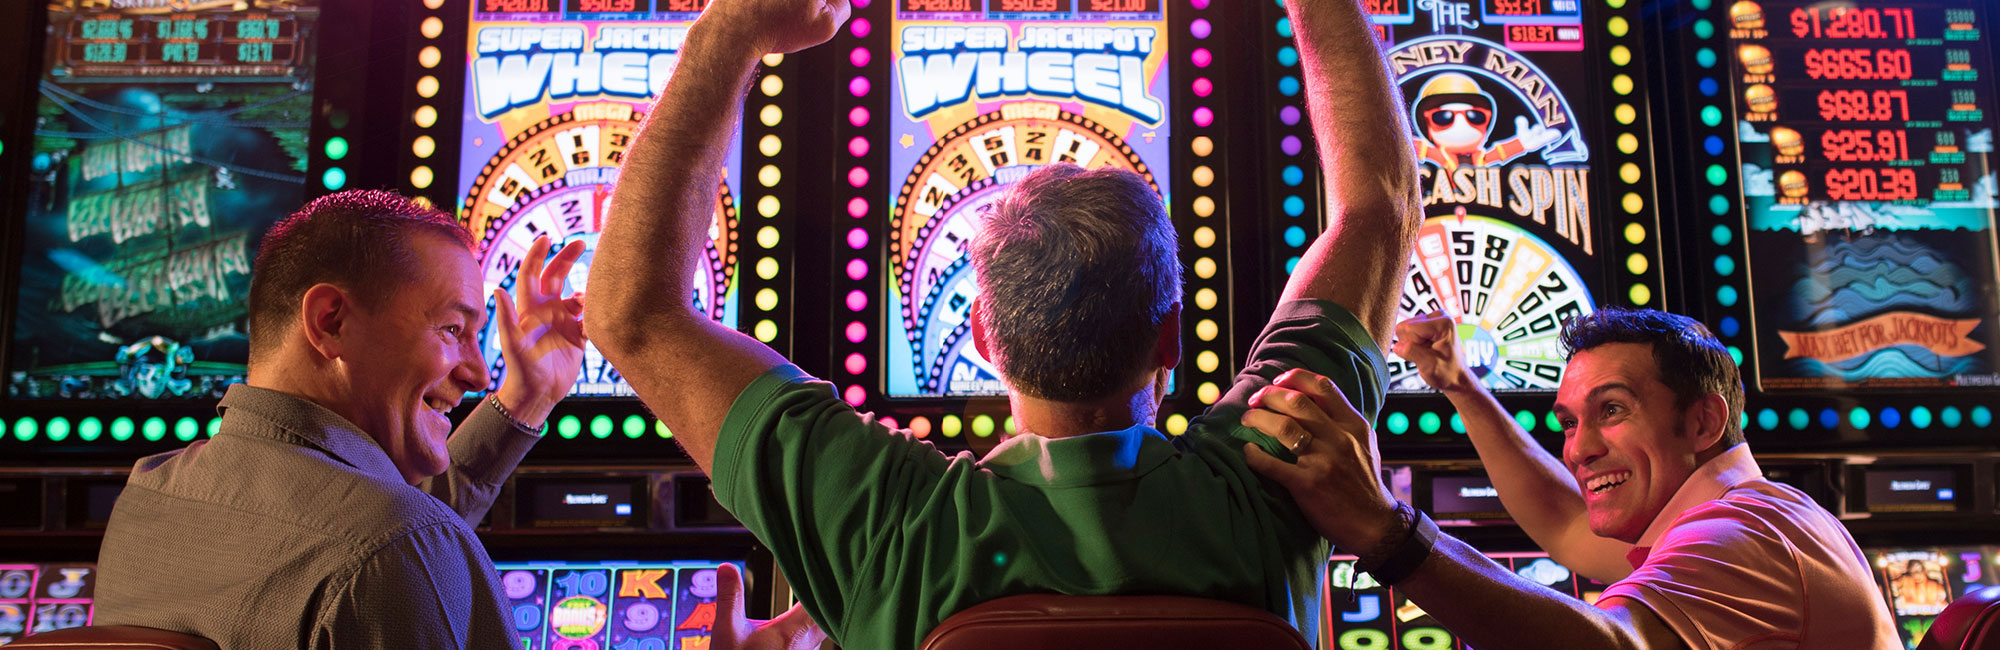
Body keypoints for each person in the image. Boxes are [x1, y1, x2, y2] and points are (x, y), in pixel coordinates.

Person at [585, 0, 1419, 646]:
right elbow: (1378, 207)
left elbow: (631, 312)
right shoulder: (1279, 470)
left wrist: (727, 34)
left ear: (984, 340)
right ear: (1171, 336)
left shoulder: (888, 519)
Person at [91, 190, 585, 648]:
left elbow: (354, 523)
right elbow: (387, 540)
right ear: (332, 322)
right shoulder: (396, 546)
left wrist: (527, 399)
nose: (478, 374)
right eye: (453, 329)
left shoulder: (149, 495)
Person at [1243, 308, 1901, 648]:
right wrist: (1459, 385)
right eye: (1568, 422)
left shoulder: (1744, 534)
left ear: (1703, 421)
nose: (1579, 449)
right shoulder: (1746, 514)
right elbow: (1563, 523)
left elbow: (1609, 646)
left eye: (1611, 410)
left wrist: (1382, 527)